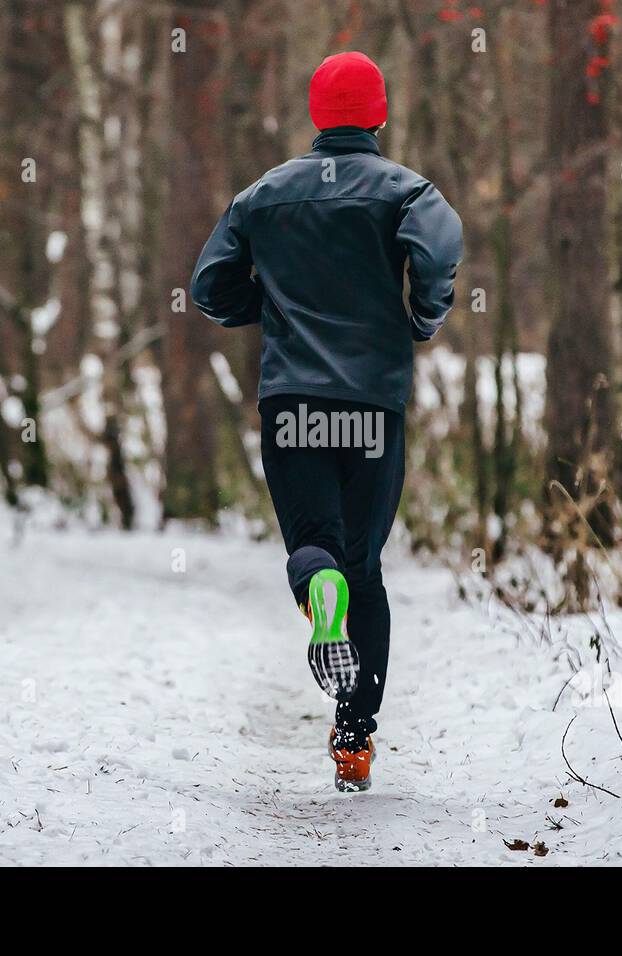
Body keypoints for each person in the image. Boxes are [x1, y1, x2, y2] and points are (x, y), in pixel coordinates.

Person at [190, 51, 463, 792]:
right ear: (378, 114)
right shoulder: (408, 192)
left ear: (317, 115)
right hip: (372, 404)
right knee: (365, 568)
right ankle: (352, 740)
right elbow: (440, 250)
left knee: (314, 547)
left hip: (293, 405)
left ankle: (319, 589)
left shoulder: (263, 196)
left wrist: (271, 308)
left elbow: (209, 287)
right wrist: (420, 314)